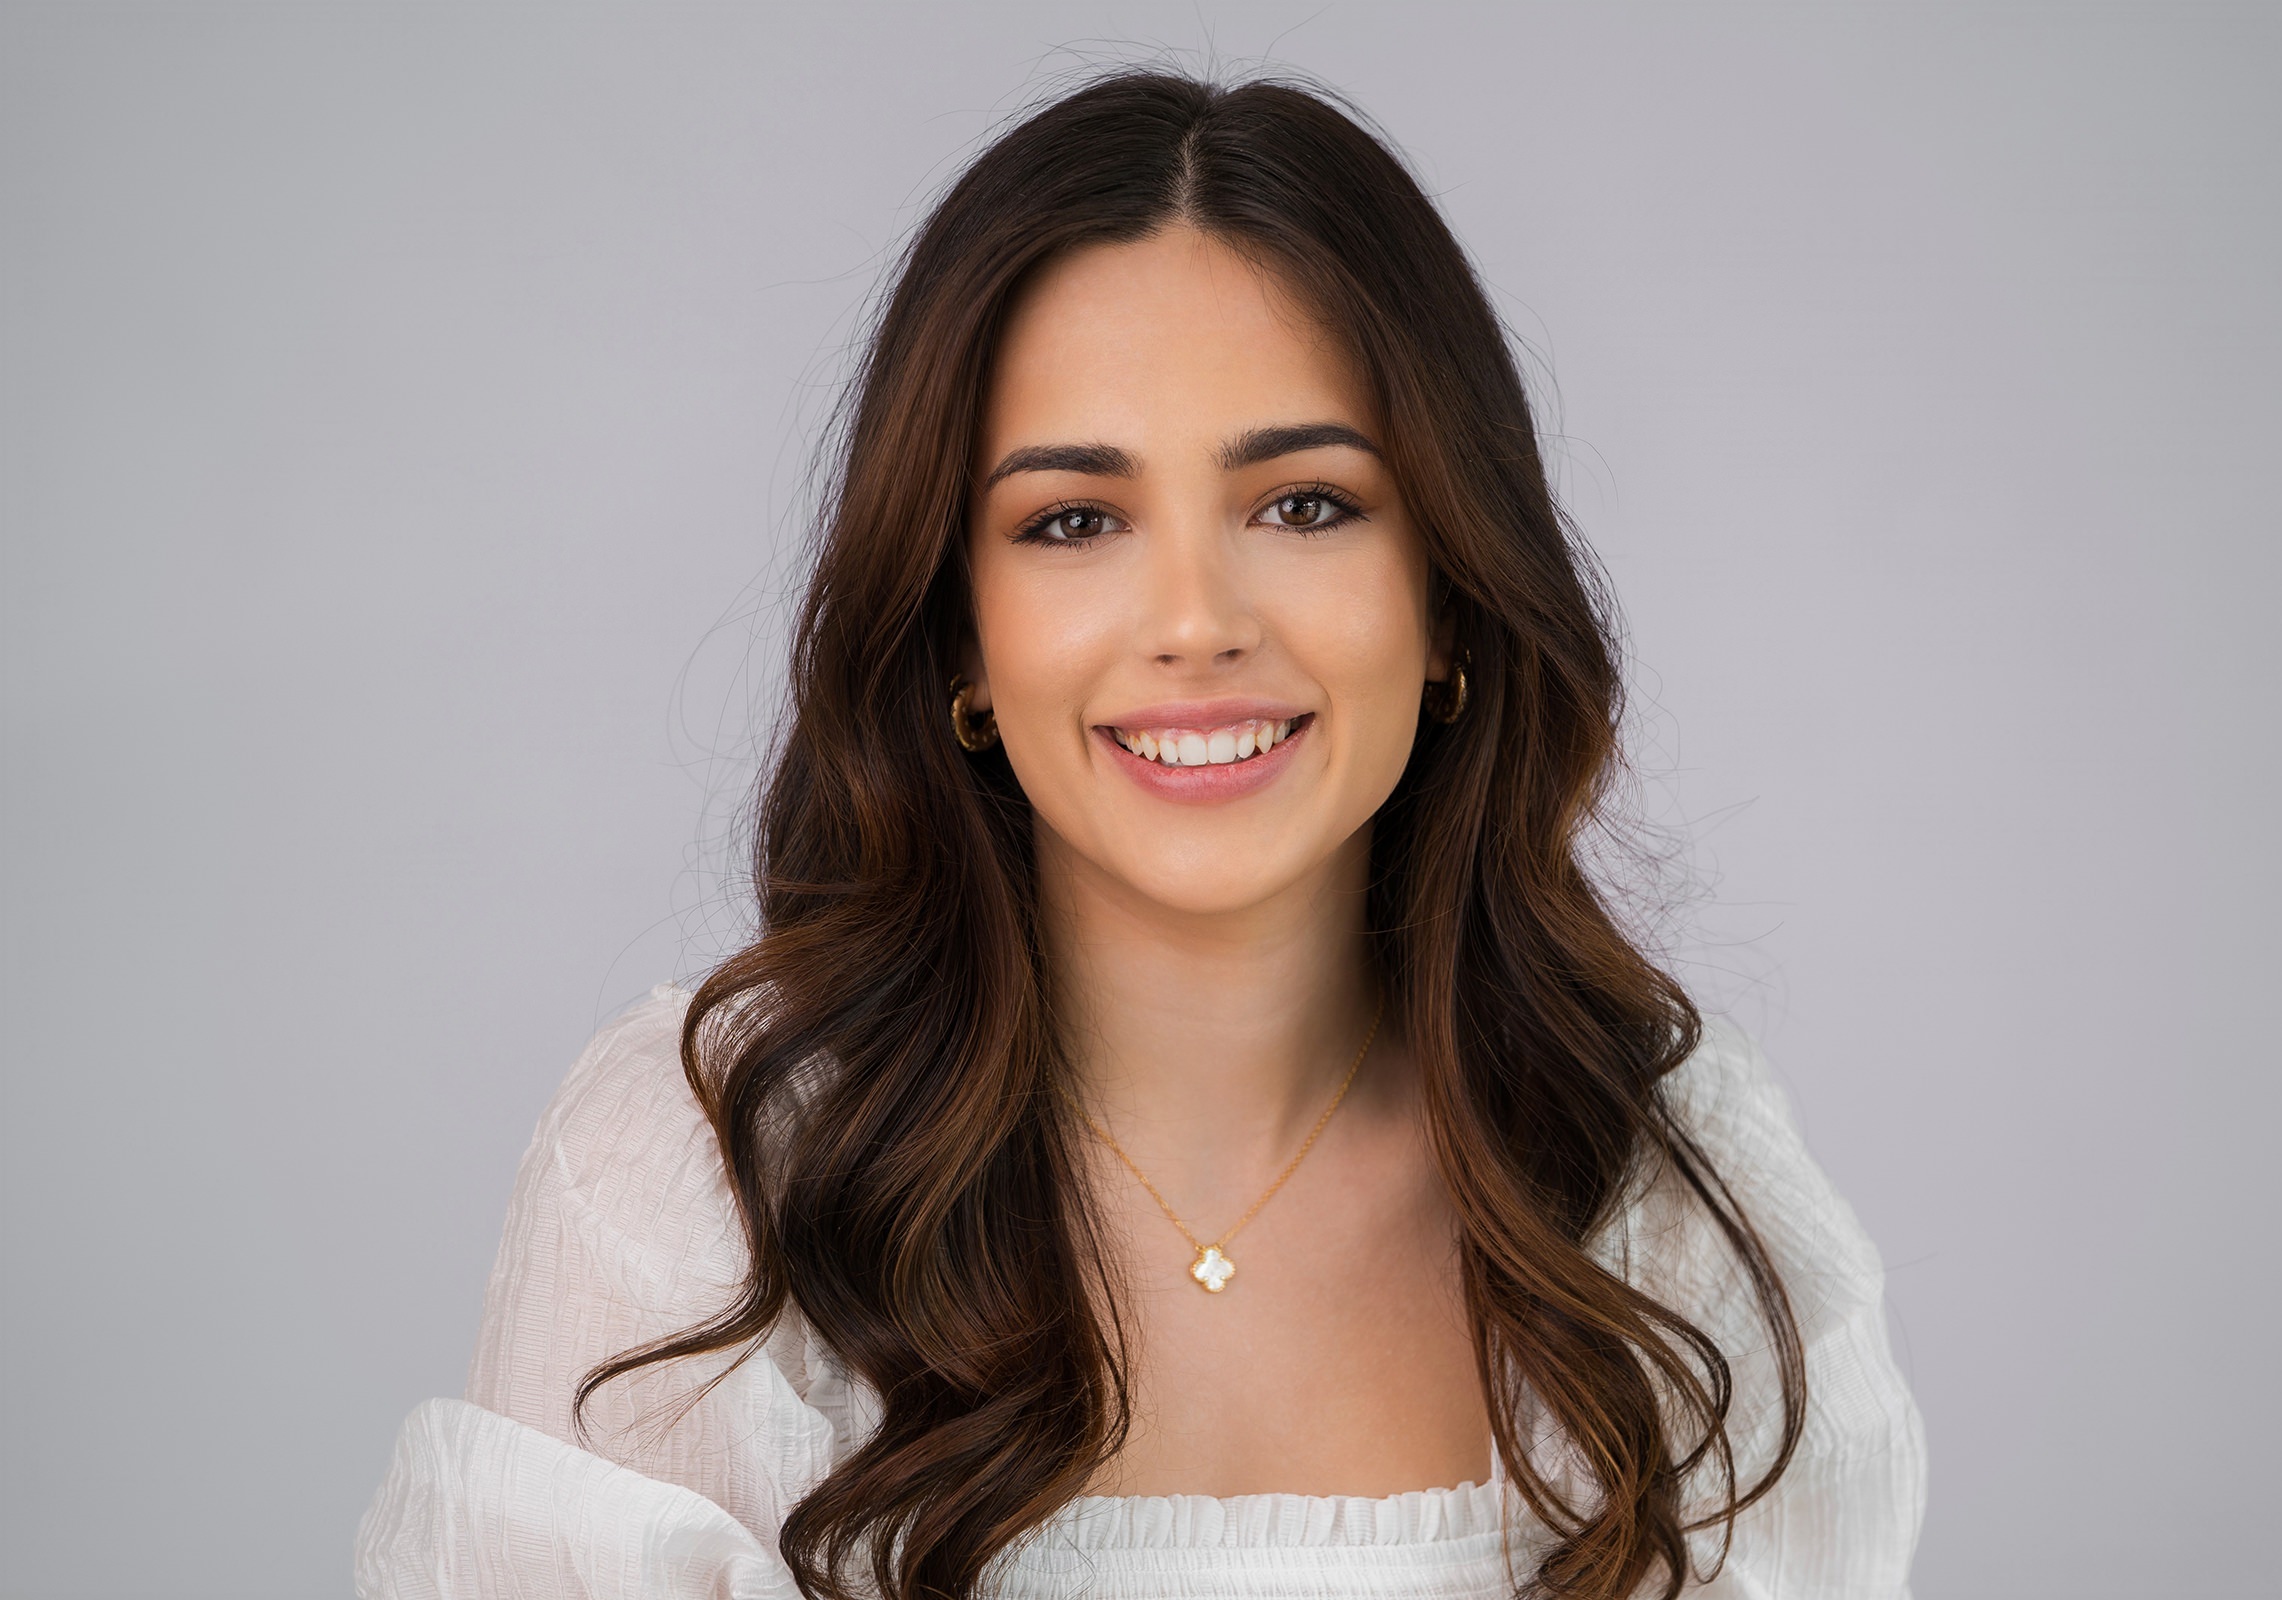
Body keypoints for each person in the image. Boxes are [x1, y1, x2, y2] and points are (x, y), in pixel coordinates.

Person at [356, 69, 1925, 1600]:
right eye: (1073, 522)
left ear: (1449, 596)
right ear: (961, 641)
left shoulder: (1663, 1190)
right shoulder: (713, 1174)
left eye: (1305, 504)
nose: (1194, 623)